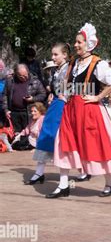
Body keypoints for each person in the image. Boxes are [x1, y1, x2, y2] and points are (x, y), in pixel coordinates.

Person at [47, 23, 111, 198]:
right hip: (71, 109)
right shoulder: (74, 62)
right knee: (63, 143)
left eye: (79, 42)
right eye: (75, 42)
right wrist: (62, 95)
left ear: (89, 44)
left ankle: (110, 182)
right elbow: (68, 82)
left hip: (89, 110)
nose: (75, 45)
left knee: (96, 146)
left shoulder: (97, 63)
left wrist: (98, 97)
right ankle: (63, 185)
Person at [25, 43, 71, 185]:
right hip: (56, 105)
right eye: (52, 54)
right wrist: (53, 94)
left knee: (66, 140)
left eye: (55, 54)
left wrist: (67, 95)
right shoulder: (57, 70)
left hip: (64, 107)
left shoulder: (70, 69)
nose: (53, 57)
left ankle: (82, 171)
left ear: (65, 54)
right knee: (46, 136)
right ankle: (39, 172)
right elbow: (57, 88)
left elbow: (78, 87)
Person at [3, 64, 46, 133]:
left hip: (29, 113)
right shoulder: (10, 81)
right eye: (21, 76)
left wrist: (33, 99)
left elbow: (43, 94)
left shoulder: (35, 81)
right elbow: (4, 95)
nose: (24, 78)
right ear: (16, 74)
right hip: (14, 113)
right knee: (15, 134)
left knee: (28, 133)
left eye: (26, 75)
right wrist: (6, 110)